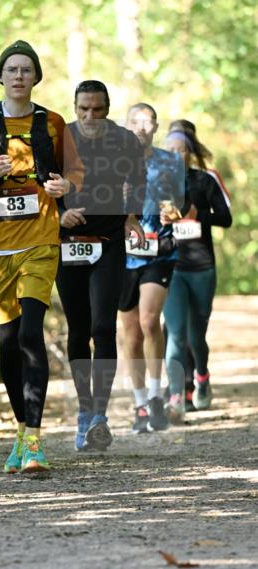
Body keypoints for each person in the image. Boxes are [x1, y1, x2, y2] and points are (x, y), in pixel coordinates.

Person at [0, 40, 83, 474]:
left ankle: (35, 442)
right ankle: (21, 431)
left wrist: (65, 187)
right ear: (1, 76)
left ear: (36, 77)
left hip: (41, 240)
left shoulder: (53, 122)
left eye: (27, 70)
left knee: (30, 334)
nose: (19, 76)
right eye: (12, 69)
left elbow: (76, 172)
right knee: (8, 345)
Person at [55, 81, 146, 452]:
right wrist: (59, 214)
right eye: (84, 109)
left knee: (103, 327)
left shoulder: (125, 140)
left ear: (108, 108)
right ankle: (84, 411)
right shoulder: (60, 138)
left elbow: (137, 180)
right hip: (68, 245)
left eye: (97, 109)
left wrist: (132, 216)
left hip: (108, 244)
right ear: (75, 107)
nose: (90, 116)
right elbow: (42, 184)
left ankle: (100, 417)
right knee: (78, 330)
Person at [118, 103, 187, 434]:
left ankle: (158, 395)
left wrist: (170, 214)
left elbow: (180, 204)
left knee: (149, 320)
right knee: (131, 333)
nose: (141, 127)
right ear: (126, 125)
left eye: (148, 122)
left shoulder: (170, 162)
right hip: (121, 255)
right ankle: (141, 403)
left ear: (156, 127)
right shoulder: (112, 161)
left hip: (158, 251)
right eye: (136, 121)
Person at [162, 122, 232, 421]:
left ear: (189, 153)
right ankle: (176, 396)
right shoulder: (156, 182)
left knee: (195, 337)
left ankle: (201, 376)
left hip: (202, 268)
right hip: (171, 266)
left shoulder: (205, 180)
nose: (175, 155)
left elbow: (226, 218)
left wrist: (197, 215)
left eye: (180, 150)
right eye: (169, 150)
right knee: (175, 334)